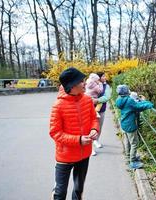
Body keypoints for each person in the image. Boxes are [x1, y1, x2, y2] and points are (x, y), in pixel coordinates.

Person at [49, 67, 100, 200]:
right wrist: (78, 140)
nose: (85, 84)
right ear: (72, 86)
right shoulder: (58, 105)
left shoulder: (87, 100)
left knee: (78, 190)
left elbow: (94, 118)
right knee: (60, 193)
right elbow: (55, 133)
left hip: (84, 154)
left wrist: (95, 129)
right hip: (65, 157)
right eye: (81, 81)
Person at [115, 84, 153, 169]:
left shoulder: (119, 99)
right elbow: (138, 107)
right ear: (126, 91)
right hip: (131, 124)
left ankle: (129, 157)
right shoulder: (129, 100)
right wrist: (149, 104)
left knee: (128, 141)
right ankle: (132, 162)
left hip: (124, 123)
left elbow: (133, 106)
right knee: (134, 143)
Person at [91, 72, 112, 150]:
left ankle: (96, 140)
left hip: (101, 110)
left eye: (105, 76)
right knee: (90, 128)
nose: (105, 77)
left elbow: (107, 97)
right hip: (90, 110)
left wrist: (96, 100)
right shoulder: (91, 84)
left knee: (99, 127)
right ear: (98, 78)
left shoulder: (106, 86)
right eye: (103, 76)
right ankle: (90, 146)